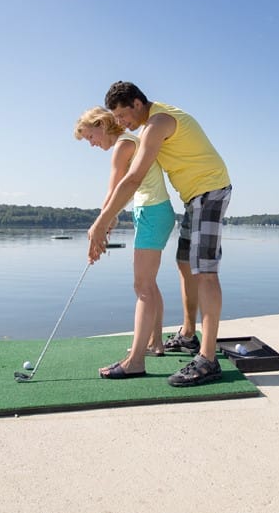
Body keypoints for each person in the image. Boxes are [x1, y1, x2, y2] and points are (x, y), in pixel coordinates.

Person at [87, 81, 231, 387]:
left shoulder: (157, 123)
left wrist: (102, 222)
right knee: (184, 263)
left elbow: (133, 178)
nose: (121, 123)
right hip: (194, 196)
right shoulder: (148, 126)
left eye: (123, 116)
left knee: (205, 272)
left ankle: (207, 359)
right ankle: (189, 334)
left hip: (211, 189)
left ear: (137, 104)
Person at [74, 107, 175, 379]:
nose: (93, 144)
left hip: (153, 213)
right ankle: (154, 342)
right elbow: (122, 194)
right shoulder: (128, 142)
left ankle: (136, 360)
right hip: (151, 212)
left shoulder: (123, 145)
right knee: (148, 283)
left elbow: (114, 191)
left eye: (90, 137)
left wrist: (99, 227)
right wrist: (108, 223)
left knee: (142, 286)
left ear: (101, 125)